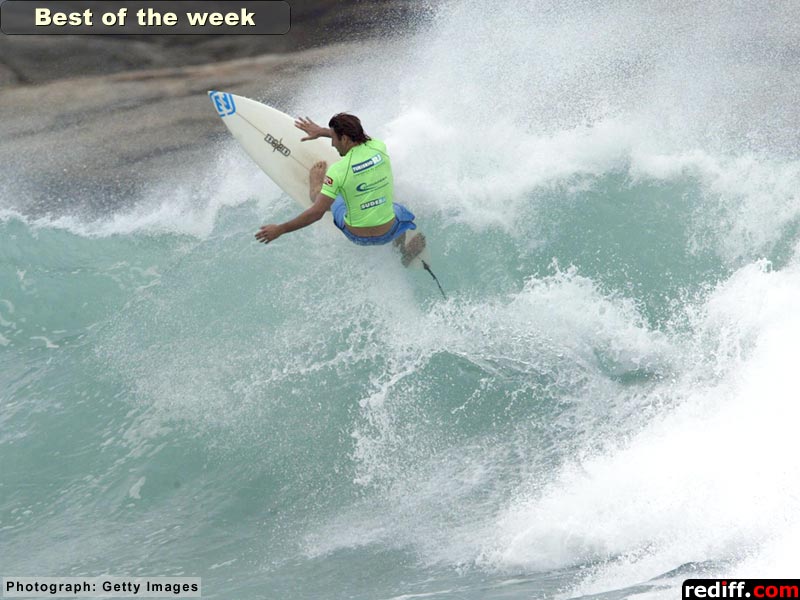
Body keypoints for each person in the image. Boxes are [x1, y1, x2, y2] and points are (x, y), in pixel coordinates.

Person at [254, 113, 424, 264]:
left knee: (328, 199)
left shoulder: (337, 171)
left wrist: (280, 229)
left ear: (345, 139)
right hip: (388, 232)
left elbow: (316, 213)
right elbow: (362, 138)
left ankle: (315, 187)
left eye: (334, 138)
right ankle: (403, 251)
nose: (332, 144)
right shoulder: (379, 147)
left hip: (357, 236)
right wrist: (322, 131)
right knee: (398, 210)